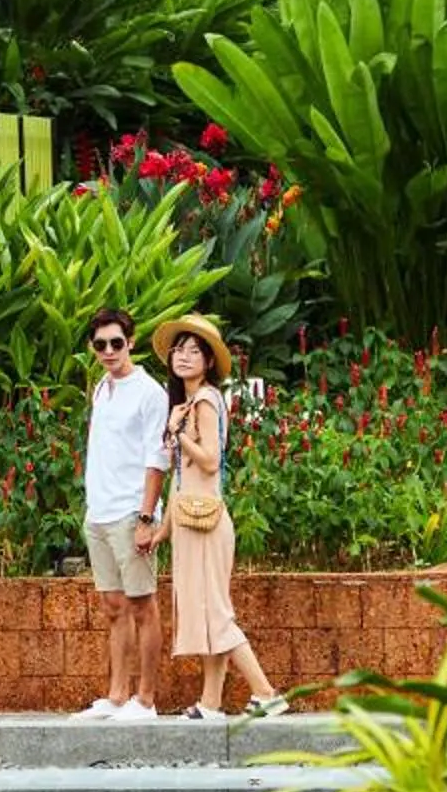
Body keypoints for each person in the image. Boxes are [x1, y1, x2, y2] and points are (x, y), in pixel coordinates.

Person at [153, 313, 287, 723]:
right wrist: (163, 529)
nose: (184, 356)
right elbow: (180, 478)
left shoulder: (206, 401)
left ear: (209, 361)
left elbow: (210, 461)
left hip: (206, 525)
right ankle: (211, 702)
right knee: (209, 611)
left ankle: (266, 693)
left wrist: (177, 433)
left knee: (215, 612)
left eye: (195, 351)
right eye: (179, 350)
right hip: (191, 521)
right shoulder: (187, 404)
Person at [73, 306, 167, 720]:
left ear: (131, 342)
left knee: (143, 605)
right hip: (99, 512)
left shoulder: (150, 392)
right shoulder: (102, 388)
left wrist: (146, 518)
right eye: (100, 345)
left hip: (132, 511)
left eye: (116, 342)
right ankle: (116, 696)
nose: (109, 351)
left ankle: (145, 700)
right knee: (113, 606)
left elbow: (157, 459)